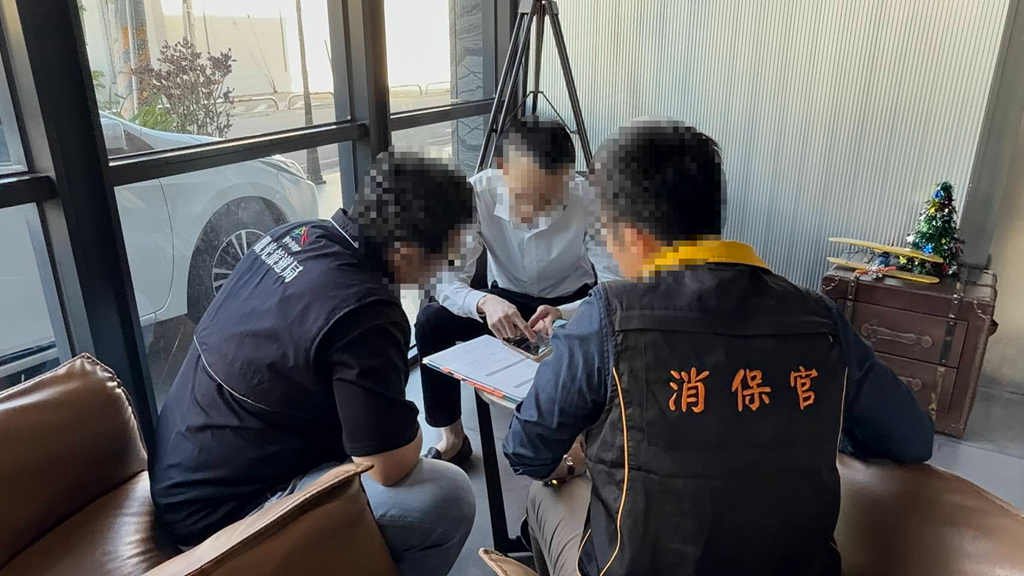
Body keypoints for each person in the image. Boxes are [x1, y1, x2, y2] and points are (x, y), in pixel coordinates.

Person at [502, 120, 935, 576]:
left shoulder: (608, 315)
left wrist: (579, 456)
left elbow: (526, 450)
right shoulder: (819, 318)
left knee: (543, 493)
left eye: (607, 235)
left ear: (633, 237)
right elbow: (911, 439)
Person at [150, 152, 477, 576]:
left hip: (180, 476)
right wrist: (405, 431)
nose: (442, 270)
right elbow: (388, 467)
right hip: (223, 520)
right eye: (445, 258)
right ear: (407, 252)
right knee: (448, 496)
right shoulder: (366, 309)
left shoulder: (296, 235)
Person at [416, 117, 620, 464]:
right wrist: (482, 301)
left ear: (568, 178)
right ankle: (453, 436)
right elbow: (443, 276)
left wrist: (566, 312)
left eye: (551, 199)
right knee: (430, 322)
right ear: (503, 169)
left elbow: (613, 285)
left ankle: (585, 443)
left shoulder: (589, 199)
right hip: (505, 301)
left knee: (609, 338)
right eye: (526, 196)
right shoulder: (476, 194)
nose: (534, 211)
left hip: (571, 302)